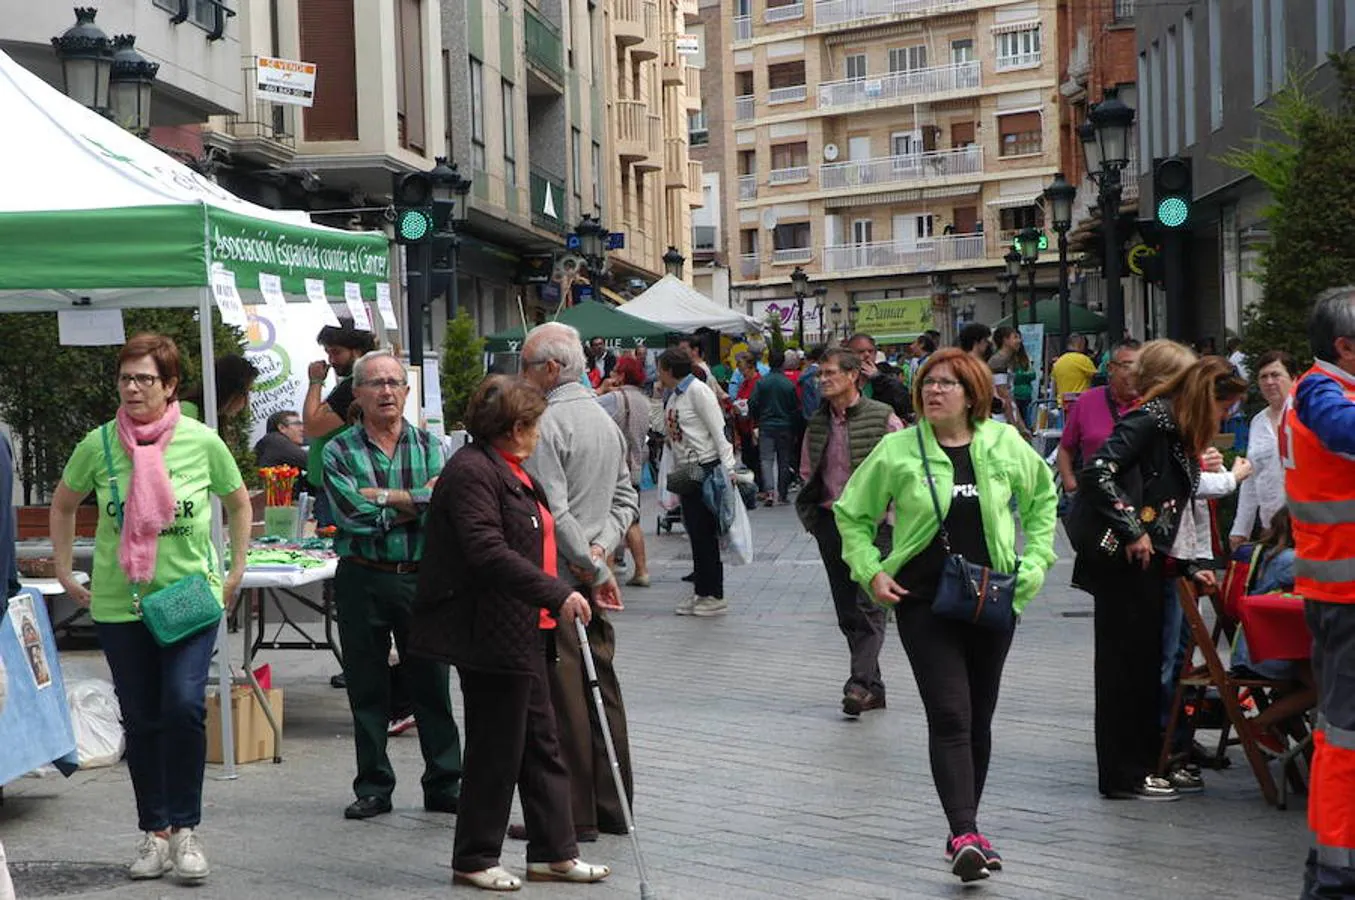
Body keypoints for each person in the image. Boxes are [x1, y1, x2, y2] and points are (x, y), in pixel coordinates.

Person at [834, 347, 1056, 884]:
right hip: (923, 601)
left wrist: (1033, 567)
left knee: (979, 719)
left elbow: (1043, 502)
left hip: (993, 597)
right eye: (928, 383)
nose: (934, 391)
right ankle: (964, 830)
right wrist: (871, 571)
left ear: (973, 392)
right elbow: (851, 514)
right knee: (951, 715)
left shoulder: (1004, 443)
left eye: (947, 383)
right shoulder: (897, 449)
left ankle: (968, 829)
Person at [51, 333, 252, 883]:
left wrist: (233, 571)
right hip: (121, 604)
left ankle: (186, 829)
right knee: (140, 719)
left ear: (170, 387)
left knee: (184, 707)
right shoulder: (98, 445)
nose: (133, 387)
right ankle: (154, 831)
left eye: (145, 378)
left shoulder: (201, 441)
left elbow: (238, 503)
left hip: (188, 601)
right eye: (125, 378)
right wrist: (67, 569)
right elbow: (65, 503)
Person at [410, 376, 609, 891]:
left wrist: (572, 580)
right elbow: (487, 551)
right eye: (536, 424)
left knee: (542, 743)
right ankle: (474, 857)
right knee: (496, 749)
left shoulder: (511, 470)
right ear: (515, 427)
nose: (540, 434)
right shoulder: (474, 472)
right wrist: (555, 593)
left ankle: (553, 852)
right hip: (491, 631)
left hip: (526, 627)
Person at [1076, 354, 1247, 802]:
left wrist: (1190, 565)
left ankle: (1142, 766)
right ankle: (1122, 775)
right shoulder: (1153, 421)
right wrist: (1131, 529)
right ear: (1205, 397)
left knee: (1144, 669)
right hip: (1122, 566)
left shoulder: (1173, 430)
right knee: (1123, 672)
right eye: (1224, 408)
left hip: (1151, 566)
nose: (1225, 418)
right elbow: (1097, 471)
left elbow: (1166, 508)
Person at [321, 350, 463, 821]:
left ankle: (445, 782)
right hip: (362, 576)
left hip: (420, 579)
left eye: (394, 383)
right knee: (367, 687)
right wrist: (417, 503)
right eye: (375, 383)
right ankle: (374, 786)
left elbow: (447, 507)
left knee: (433, 684)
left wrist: (385, 498)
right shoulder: (340, 450)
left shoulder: (432, 446)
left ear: (406, 391)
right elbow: (351, 516)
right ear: (357, 394)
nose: (386, 391)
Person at [519, 323, 638, 842]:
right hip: (588, 569)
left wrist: (592, 562)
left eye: (525, 365)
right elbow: (626, 498)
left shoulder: (548, 423)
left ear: (550, 368)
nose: (520, 376)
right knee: (601, 689)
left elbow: (553, 511)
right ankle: (613, 805)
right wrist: (602, 547)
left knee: (566, 696)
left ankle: (575, 815)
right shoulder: (601, 418)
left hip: (563, 578)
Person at [1281, 287, 1355, 898]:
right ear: (1344, 346)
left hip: (1339, 591)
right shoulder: (1320, 390)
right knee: (1344, 734)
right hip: (1344, 595)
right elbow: (1339, 430)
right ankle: (1334, 874)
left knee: (1341, 733)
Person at [797, 348, 903, 716]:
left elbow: (903, 472)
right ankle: (874, 687)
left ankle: (859, 684)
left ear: (854, 375)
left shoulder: (882, 419)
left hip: (875, 527)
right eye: (819, 374)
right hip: (832, 524)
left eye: (829, 373)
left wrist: (890, 519)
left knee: (869, 605)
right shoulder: (818, 421)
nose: (822, 379)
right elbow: (809, 471)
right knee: (847, 612)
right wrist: (812, 518)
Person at [660, 347, 739, 616]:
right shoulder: (675, 395)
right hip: (685, 469)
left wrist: (728, 469)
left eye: (660, 368)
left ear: (669, 370)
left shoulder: (698, 391)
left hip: (703, 467)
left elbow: (719, 431)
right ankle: (701, 591)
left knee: (705, 531)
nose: (658, 374)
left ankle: (714, 594)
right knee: (693, 532)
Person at [305, 322, 377, 527]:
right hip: (335, 483)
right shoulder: (354, 384)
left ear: (357, 351)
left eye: (336, 352)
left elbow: (311, 426)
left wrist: (315, 382)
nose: (331, 360)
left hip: (336, 488)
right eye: (328, 353)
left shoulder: (353, 387)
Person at [1055, 339, 1142, 502]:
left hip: (1143, 503)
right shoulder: (1087, 401)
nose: (1134, 372)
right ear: (1111, 368)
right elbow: (1066, 448)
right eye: (1127, 366)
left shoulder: (1153, 404)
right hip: (1097, 501)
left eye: (1140, 366)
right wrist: (1070, 483)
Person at [1229, 350, 1299, 548]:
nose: (1269, 382)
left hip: (1308, 523)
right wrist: (1240, 529)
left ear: (1294, 379)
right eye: (1263, 377)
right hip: (1271, 528)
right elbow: (1251, 479)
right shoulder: (1258, 422)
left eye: (1276, 375)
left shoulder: (1307, 415)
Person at [596, 355, 652, 587]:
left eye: (616, 372)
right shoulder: (643, 399)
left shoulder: (615, 399)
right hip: (637, 465)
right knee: (632, 519)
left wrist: (600, 389)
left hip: (614, 468)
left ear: (622, 375)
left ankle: (606, 575)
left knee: (606, 521)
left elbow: (585, 409)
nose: (612, 375)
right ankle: (642, 570)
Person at [749, 349, 802, 506]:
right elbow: (795, 407)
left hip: (766, 425)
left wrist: (757, 418)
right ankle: (783, 493)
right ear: (783, 363)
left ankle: (769, 492)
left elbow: (752, 403)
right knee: (783, 459)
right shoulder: (788, 384)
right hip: (785, 426)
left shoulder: (762, 382)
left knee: (766, 459)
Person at [845, 333, 910, 419]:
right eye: (860, 352)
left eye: (871, 351)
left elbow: (904, 404)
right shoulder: (842, 379)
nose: (867, 355)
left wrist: (878, 378)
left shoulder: (887, 375)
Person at [985, 326, 1033, 441]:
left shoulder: (1008, 360)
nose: (1019, 341)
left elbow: (1009, 396)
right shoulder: (998, 361)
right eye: (1015, 337)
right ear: (1005, 340)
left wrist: (1020, 425)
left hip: (1008, 415)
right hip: (1001, 417)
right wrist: (1015, 426)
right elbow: (1003, 394)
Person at [178, 355, 258, 422]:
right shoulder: (188, 411)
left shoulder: (215, 419)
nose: (246, 402)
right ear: (229, 390)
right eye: (245, 393)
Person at [732, 351, 762, 486]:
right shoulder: (744, 383)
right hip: (743, 425)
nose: (741, 373)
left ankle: (760, 486)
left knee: (756, 458)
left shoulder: (759, 383)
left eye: (743, 370)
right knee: (747, 457)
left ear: (751, 367)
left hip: (753, 426)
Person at [1051, 334, 1098, 405]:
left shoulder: (1058, 362)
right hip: (1081, 403)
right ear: (1081, 344)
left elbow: (1054, 386)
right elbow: (1097, 377)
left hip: (1063, 405)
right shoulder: (1083, 359)